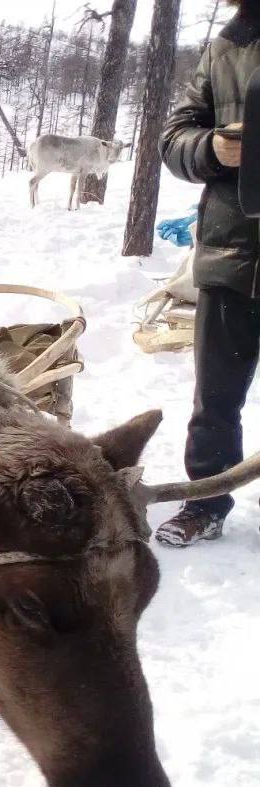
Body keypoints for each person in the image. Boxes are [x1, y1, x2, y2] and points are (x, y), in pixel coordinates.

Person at [157, 0, 260, 546]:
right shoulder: (227, 47)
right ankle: (206, 504)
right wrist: (212, 148)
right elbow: (173, 139)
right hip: (232, 254)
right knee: (215, 398)